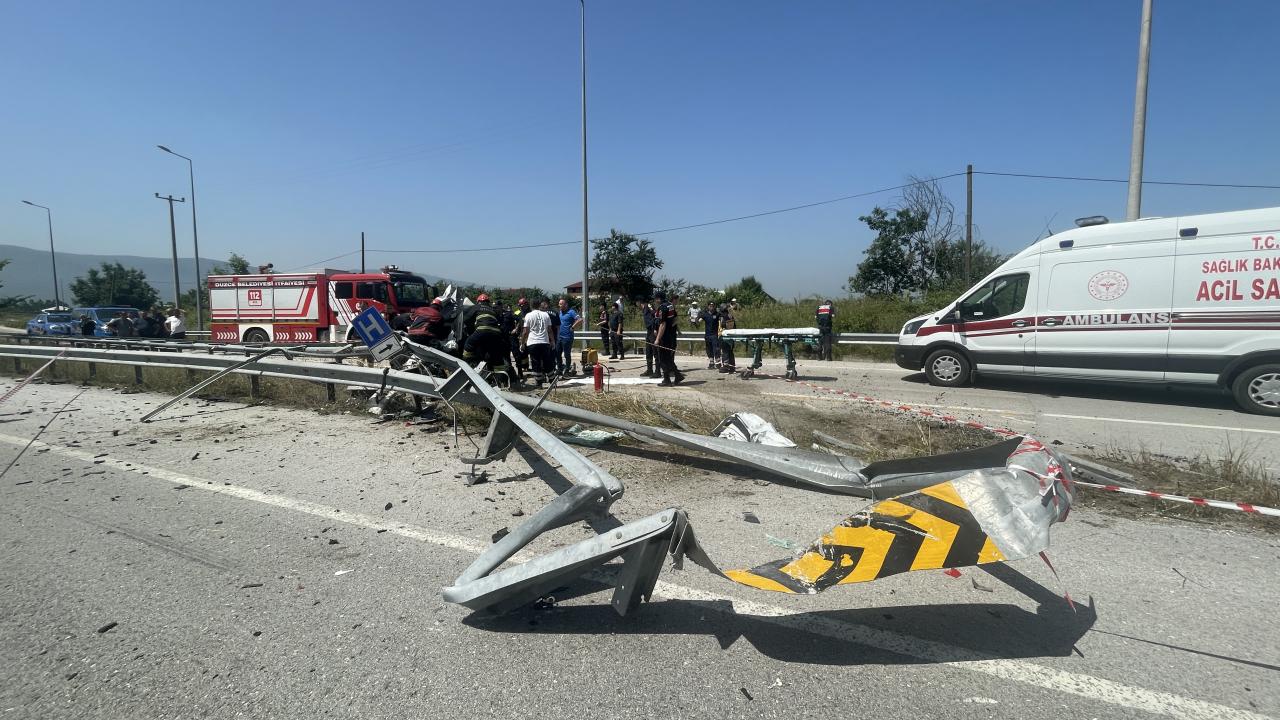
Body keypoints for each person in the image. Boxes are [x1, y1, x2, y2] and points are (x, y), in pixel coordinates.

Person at [652, 290, 684, 386]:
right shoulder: (670, 306)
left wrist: (657, 339)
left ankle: (667, 380)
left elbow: (663, 324)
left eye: (656, 298)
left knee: (662, 359)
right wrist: (672, 329)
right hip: (671, 336)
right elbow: (675, 319)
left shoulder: (663, 308)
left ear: (658, 299)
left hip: (664, 337)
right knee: (668, 359)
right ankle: (678, 375)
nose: (655, 300)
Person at [520, 299, 554, 387]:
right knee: (547, 362)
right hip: (544, 342)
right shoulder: (546, 314)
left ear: (531, 306)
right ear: (539, 305)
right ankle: (552, 381)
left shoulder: (528, 315)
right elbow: (550, 330)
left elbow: (525, 331)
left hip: (533, 342)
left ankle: (539, 382)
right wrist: (552, 341)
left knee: (536, 362)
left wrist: (522, 343)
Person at [555, 297, 581, 376]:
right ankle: (559, 369)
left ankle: (567, 369)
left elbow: (580, 319)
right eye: (559, 304)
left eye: (561, 304)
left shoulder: (571, 312)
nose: (559, 305)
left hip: (567, 337)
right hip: (559, 337)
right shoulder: (559, 312)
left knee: (567, 354)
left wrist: (573, 327)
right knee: (557, 354)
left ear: (566, 305)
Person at [699, 302, 720, 369]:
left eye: (713, 306)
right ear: (708, 306)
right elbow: (699, 320)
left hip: (714, 335)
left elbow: (722, 320)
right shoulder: (705, 314)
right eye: (710, 306)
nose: (711, 307)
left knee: (716, 349)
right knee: (709, 349)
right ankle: (711, 363)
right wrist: (696, 320)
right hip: (707, 335)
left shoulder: (717, 314)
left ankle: (718, 363)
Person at [639, 300, 657, 377]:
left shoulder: (648, 306)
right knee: (648, 352)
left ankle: (657, 371)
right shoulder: (644, 309)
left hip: (653, 331)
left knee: (655, 352)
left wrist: (655, 328)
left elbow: (655, 314)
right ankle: (649, 370)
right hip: (649, 332)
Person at [718, 303, 737, 373]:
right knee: (730, 352)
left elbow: (723, 325)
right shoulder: (730, 315)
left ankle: (726, 366)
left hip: (725, 336)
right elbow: (734, 326)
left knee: (725, 351)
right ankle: (732, 367)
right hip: (731, 336)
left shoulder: (722, 316)